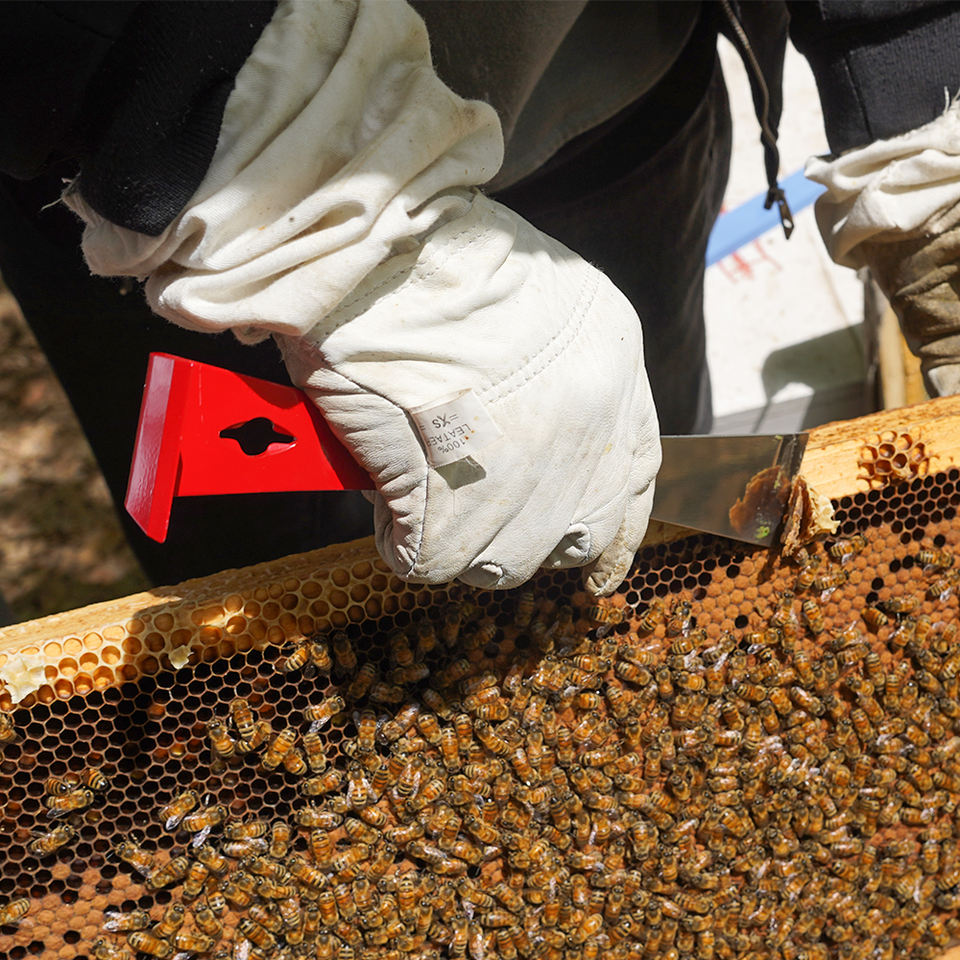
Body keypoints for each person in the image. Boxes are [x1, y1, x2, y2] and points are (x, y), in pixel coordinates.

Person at [0, 0, 958, 598]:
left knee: (643, 513)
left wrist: (919, 78)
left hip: (603, 82)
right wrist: (311, 211)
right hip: (200, 211)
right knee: (288, 632)